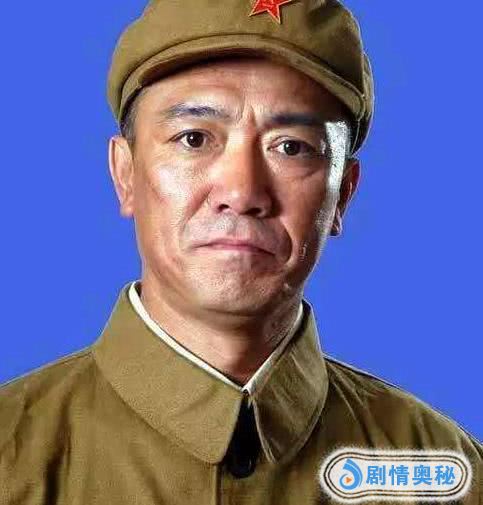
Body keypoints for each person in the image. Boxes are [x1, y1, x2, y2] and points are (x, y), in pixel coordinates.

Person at [0, 0, 481, 503]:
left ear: (342, 194)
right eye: (193, 139)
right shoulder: (12, 457)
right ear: (125, 174)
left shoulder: (447, 471)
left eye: (291, 147)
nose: (243, 191)